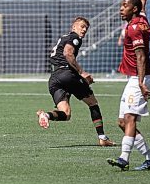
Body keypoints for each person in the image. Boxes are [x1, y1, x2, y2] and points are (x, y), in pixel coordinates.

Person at [107, 0, 150, 171]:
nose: (121, 9)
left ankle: (124, 158)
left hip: (141, 78)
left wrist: (140, 83)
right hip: (135, 78)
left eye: (125, 6)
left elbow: (141, 57)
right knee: (122, 122)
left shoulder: (135, 28)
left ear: (133, 10)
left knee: (129, 118)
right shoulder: (140, 18)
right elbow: (142, 2)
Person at [36, 16, 115, 147]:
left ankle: (46, 115)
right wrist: (82, 73)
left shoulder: (64, 37)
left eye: (86, 28)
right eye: (82, 26)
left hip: (54, 78)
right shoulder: (74, 38)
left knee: (66, 114)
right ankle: (102, 137)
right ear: (73, 27)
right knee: (93, 103)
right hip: (68, 75)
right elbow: (68, 53)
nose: (84, 30)